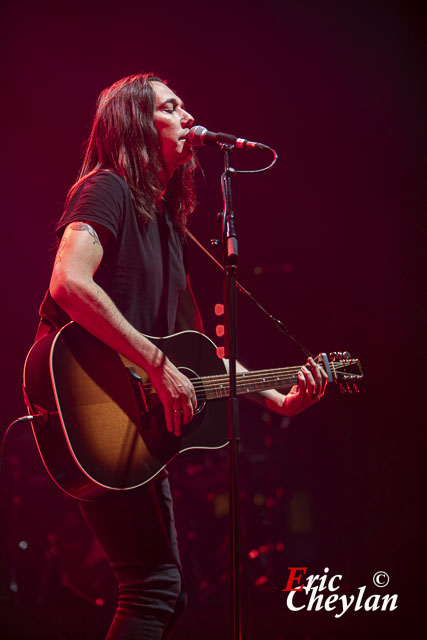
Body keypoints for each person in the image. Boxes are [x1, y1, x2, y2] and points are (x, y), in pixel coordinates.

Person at [34, 73, 328, 639]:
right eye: (171, 106)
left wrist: (279, 398)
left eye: (184, 104)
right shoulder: (106, 188)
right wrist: (155, 364)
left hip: (135, 418)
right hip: (97, 397)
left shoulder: (170, 224)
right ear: (137, 126)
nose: (188, 113)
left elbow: (201, 356)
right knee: (154, 588)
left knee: (163, 592)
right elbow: (68, 283)